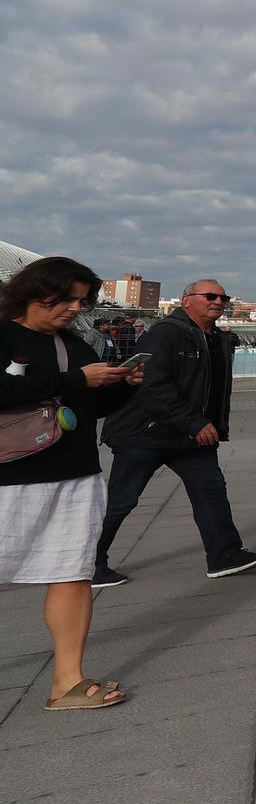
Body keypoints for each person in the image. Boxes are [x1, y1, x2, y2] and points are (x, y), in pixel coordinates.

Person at [2, 257, 142, 709]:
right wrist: (77, 379)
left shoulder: (73, 344)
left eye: (81, 301)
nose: (72, 308)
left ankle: (67, 681)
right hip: (9, 477)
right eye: (64, 298)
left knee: (72, 573)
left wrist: (122, 385)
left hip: (73, 474)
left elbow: (87, 406)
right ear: (31, 291)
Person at [94, 280, 256, 586]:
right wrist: (194, 423)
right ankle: (88, 564)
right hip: (145, 432)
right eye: (210, 296)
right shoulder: (165, 333)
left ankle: (225, 555)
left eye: (223, 297)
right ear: (187, 300)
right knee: (122, 500)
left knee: (210, 491)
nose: (218, 301)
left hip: (186, 436)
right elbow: (152, 385)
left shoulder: (211, 337)